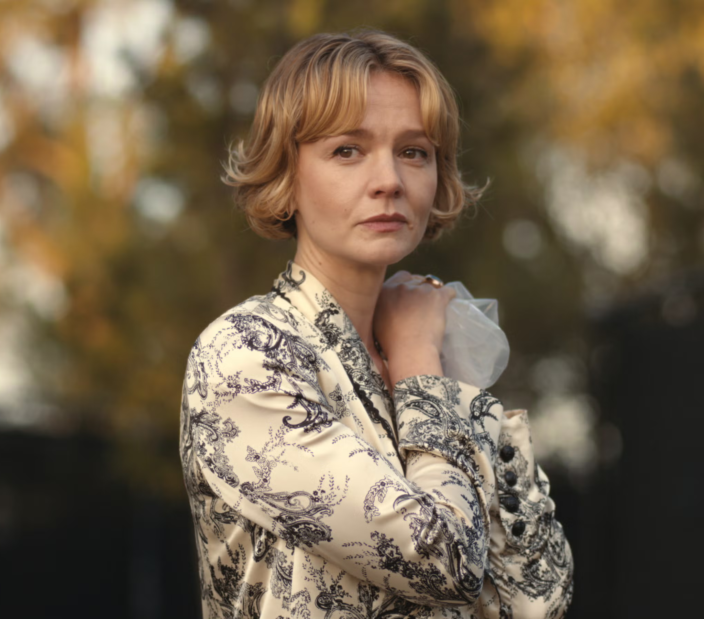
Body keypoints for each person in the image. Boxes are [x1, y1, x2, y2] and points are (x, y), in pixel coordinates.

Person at [179, 30, 573, 618]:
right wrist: (419, 369)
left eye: (413, 151)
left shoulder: (434, 343)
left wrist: (427, 366)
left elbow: (540, 596)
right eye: (348, 150)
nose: (389, 179)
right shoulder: (244, 356)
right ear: (287, 174)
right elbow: (445, 563)